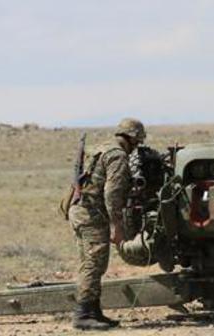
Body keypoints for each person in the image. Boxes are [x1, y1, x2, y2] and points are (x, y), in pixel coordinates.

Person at [68, 118, 145, 330]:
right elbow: (112, 195)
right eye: (137, 143)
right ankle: (83, 315)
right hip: (92, 215)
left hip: (80, 211)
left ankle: (93, 311)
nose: (136, 147)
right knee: (94, 264)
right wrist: (117, 226)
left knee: (90, 263)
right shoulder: (118, 156)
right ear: (132, 139)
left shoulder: (100, 148)